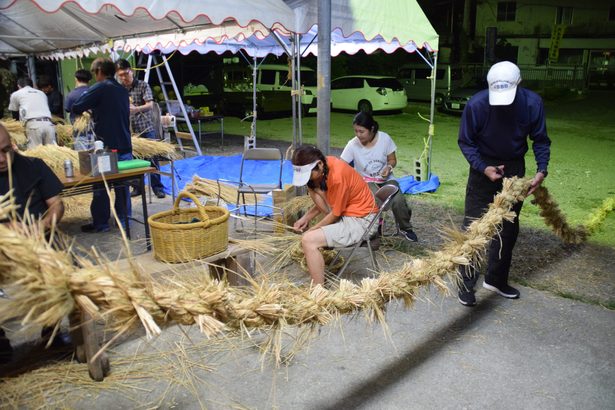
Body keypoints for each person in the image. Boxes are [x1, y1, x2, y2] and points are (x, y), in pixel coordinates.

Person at [457, 61, 551, 306]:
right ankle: (465, 284)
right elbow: (466, 142)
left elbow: (540, 140)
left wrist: (542, 170)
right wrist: (482, 167)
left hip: (514, 169)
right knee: (474, 228)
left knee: (507, 228)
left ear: (519, 84)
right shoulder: (476, 105)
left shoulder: (532, 104)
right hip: (483, 167)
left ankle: (496, 279)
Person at [0, 123, 65, 363]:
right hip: (4, 254)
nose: (2, 158)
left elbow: (57, 204)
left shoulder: (33, 166)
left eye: (6, 150)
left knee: (64, 273)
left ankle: (53, 330)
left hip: (41, 246)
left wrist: (44, 224)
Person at [291, 145, 379, 285]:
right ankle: (318, 284)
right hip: (349, 215)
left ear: (319, 164)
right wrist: (306, 218)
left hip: (362, 222)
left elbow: (336, 213)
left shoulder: (337, 176)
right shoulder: (327, 165)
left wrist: (313, 230)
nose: (308, 179)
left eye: (308, 175)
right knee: (313, 189)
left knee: (308, 240)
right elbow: (333, 204)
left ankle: (318, 291)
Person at [72, 57, 133, 233]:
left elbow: (76, 106)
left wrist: (90, 110)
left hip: (105, 146)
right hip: (124, 144)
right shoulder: (122, 90)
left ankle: (101, 223)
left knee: (101, 186)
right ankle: (123, 221)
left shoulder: (100, 87)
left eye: (94, 73)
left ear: (99, 70)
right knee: (122, 187)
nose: (94, 76)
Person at [340, 111, 418, 242]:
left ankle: (406, 228)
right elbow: (341, 164)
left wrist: (388, 167)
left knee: (398, 200)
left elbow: (392, 159)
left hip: (386, 179)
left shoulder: (384, 139)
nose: (358, 135)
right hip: (365, 181)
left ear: (371, 129)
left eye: (361, 131)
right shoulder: (353, 144)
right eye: (356, 131)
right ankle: (375, 228)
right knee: (374, 199)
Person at [115, 58, 165, 199]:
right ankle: (137, 187)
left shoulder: (143, 85)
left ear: (131, 71)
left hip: (146, 127)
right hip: (130, 131)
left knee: (152, 159)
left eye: (126, 74)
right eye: (121, 75)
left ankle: (157, 187)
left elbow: (150, 105)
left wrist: (135, 109)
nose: (124, 78)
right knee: (134, 161)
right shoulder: (119, 89)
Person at [8, 77, 57, 149]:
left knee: (36, 154)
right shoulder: (42, 93)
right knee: (53, 153)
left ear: (18, 86)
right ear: (32, 85)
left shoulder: (16, 94)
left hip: (33, 126)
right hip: (49, 125)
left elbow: (14, 112)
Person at [64, 69, 94, 151]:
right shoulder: (95, 92)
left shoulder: (72, 95)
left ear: (76, 79)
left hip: (80, 131)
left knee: (83, 157)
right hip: (95, 129)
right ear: (89, 80)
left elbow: (67, 109)